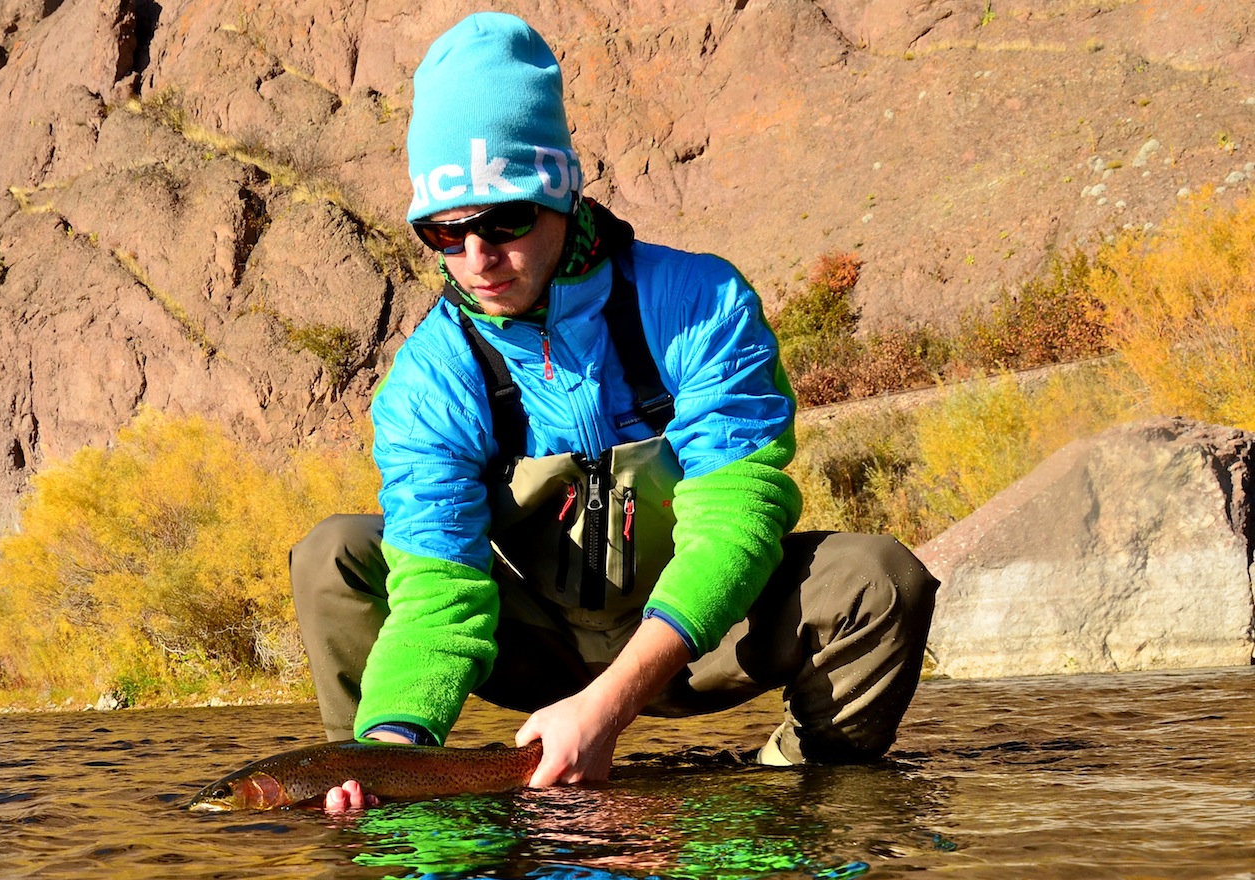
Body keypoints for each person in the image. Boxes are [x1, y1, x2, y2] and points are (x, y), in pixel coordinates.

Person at [291, 13, 937, 813]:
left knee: (879, 580)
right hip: (535, 642)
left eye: (506, 221)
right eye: (444, 234)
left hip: (700, 637)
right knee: (338, 553)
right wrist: (388, 761)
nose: (478, 260)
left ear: (562, 189)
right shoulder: (431, 378)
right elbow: (440, 597)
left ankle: (798, 799)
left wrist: (609, 706)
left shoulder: (698, 302)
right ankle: (402, 804)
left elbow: (736, 525)